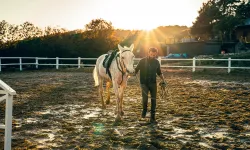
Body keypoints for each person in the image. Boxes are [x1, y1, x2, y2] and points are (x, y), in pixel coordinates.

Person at [134, 47, 166, 123]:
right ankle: (144, 111)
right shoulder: (142, 61)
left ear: (156, 54)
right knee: (144, 98)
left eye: (154, 55)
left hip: (153, 83)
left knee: (153, 99)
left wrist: (163, 80)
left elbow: (159, 72)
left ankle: (153, 117)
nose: (152, 56)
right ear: (148, 53)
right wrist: (129, 73)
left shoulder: (157, 62)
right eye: (151, 54)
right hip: (144, 83)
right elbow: (136, 70)